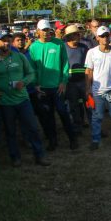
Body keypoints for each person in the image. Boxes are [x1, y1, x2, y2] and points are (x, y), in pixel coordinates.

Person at [0, 30, 49, 167]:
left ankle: (39, 155)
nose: (7, 43)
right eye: (3, 40)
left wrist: (24, 82)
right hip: (5, 102)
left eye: (9, 40)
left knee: (32, 128)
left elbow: (31, 73)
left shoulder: (19, 57)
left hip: (23, 100)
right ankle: (15, 157)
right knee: (10, 131)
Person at [28, 19, 78, 151]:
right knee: (47, 115)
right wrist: (36, 84)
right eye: (43, 30)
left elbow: (65, 64)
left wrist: (63, 81)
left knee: (63, 112)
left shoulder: (59, 44)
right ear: (38, 31)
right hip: (43, 88)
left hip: (57, 87)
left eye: (48, 30)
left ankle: (72, 139)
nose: (46, 33)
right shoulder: (33, 47)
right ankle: (52, 141)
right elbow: (32, 68)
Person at [85, 26, 111, 150]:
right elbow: (88, 71)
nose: (105, 38)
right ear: (97, 38)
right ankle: (95, 140)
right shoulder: (91, 52)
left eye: (107, 35)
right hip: (97, 91)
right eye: (102, 36)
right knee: (97, 117)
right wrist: (88, 89)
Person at [64, 24, 90, 135]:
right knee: (73, 106)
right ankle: (77, 128)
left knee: (89, 105)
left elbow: (89, 64)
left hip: (83, 82)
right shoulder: (63, 48)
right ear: (69, 36)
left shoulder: (84, 48)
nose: (79, 35)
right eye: (76, 34)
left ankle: (95, 126)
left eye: (79, 33)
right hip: (70, 83)